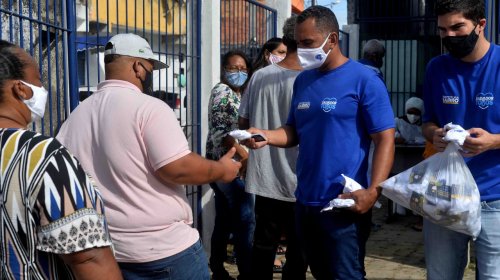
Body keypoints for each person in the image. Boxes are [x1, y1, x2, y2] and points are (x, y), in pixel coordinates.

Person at [56, 33, 241, 280]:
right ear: (138, 67)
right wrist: (222, 170)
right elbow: (177, 167)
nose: (150, 75)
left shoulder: (75, 117)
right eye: (151, 68)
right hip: (164, 253)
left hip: (108, 251)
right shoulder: (149, 108)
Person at [244, 6, 395, 279]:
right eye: (299, 42)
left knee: (346, 275)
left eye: (308, 43)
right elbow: (293, 132)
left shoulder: (364, 80)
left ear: (333, 40)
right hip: (304, 202)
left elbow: (384, 138)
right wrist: (266, 136)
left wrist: (374, 191)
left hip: (343, 203)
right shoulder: (304, 81)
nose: (300, 50)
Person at [0, 40, 122, 279]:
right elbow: (89, 257)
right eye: (38, 80)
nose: (42, 88)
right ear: (20, 89)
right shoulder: (42, 155)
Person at [421, 0, 500, 279]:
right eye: (443, 30)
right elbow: (427, 122)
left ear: (481, 24)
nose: (449, 36)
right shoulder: (436, 68)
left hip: (495, 197)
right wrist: (434, 135)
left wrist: (494, 141)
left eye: (457, 27)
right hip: (446, 195)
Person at [238, 16, 307, 280]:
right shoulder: (312, 80)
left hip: (265, 176)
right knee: (299, 251)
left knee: (263, 245)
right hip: (301, 179)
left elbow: (243, 123)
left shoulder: (260, 77)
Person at [206, 50, 255, 280]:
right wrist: (244, 156)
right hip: (228, 167)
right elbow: (222, 132)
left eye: (243, 68)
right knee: (246, 221)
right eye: (234, 68)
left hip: (225, 168)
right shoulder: (223, 91)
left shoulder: (238, 93)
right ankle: (246, 273)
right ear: (224, 69)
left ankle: (217, 268)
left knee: (225, 220)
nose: (239, 72)